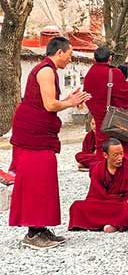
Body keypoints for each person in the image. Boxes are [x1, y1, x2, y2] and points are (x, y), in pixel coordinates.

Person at [9, 37, 91, 249]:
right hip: (31, 134)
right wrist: (70, 102)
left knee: (44, 180)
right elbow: (50, 105)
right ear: (60, 52)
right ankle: (33, 232)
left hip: (38, 133)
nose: (70, 59)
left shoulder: (49, 70)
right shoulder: (45, 70)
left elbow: (51, 101)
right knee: (36, 181)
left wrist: (69, 98)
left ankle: (40, 227)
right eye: (69, 54)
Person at [83, 46, 128, 164]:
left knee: (102, 153)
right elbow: (127, 96)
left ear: (94, 58)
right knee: (120, 153)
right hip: (114, 122)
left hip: (99, 122)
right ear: (110, 58)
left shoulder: (89, 74)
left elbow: (87, 96)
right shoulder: (113, 73)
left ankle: (101, 178)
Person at [68, 138, 128, 232]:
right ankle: (116, 223)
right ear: (105, 155)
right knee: (76, 206)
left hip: (124, 202)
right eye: (115, 155)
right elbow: (94, 195)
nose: (120, 158)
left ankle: (109, 223)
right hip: (108, 203)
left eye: (121, 153)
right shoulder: (98, 169)